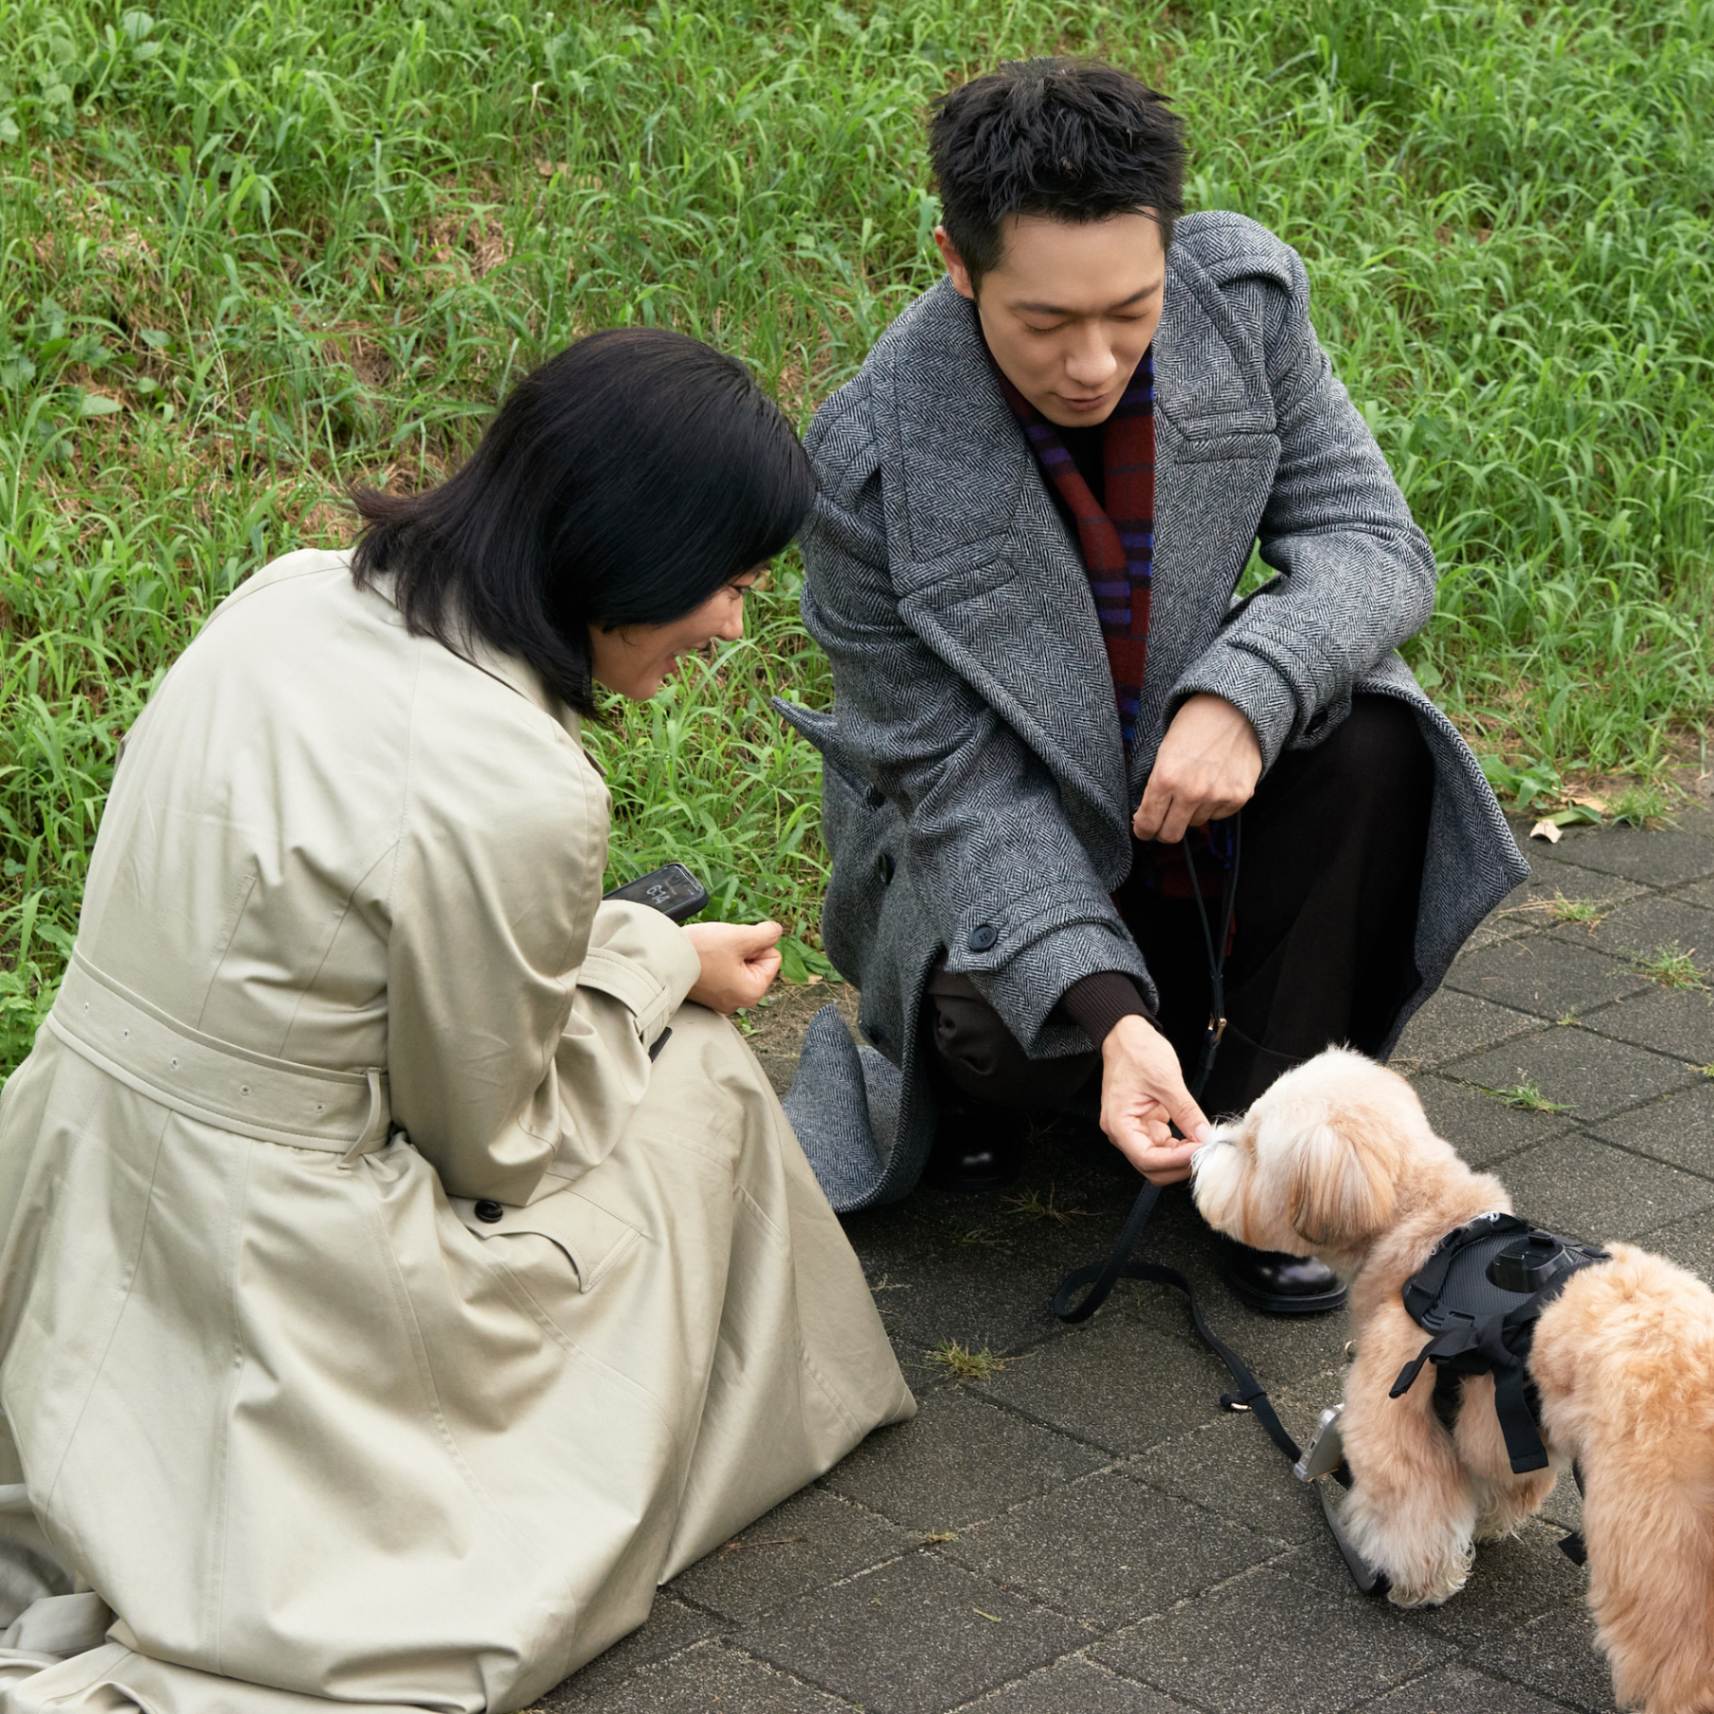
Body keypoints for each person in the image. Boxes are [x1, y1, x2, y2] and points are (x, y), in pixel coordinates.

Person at [0, 329, 914, 1713]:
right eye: (726, 583)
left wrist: (631, 941)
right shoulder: (522, 777)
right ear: (627, 551)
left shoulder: (287, 596)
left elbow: (319, 969)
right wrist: (651, 972)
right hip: (266, 1266)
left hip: (67, 1173)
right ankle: (690, 1430)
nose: (732, 625)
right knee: (710, 1085)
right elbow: (496, 1141)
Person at [780, 59, 1526, 1313]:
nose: (1093, 360)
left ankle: (1265, 1153)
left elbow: (1371, 544)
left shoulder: (1239, 302)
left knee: (1375, 740)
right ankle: (1061, 1068)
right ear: (958, 265)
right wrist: (1114, 1015)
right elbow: (949, 787)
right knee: (992, 1010)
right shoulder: (865, 470)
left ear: (1169, 252)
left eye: (1129, 309)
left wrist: (1245, 690)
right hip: (1003, 845)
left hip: (1191, 804)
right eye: (1044, 322)